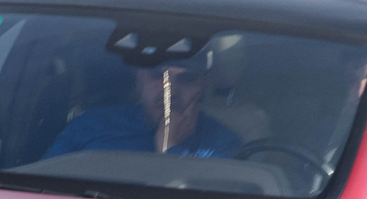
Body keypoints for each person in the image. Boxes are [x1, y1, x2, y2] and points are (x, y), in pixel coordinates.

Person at [45, 62, 242, 159]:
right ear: (140, 81)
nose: (169, 91)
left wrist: (169, 146)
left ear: (203, 87)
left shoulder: (223, 144)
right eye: (158, 76)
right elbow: (45, 182)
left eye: (186, 79)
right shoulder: (90, 126)